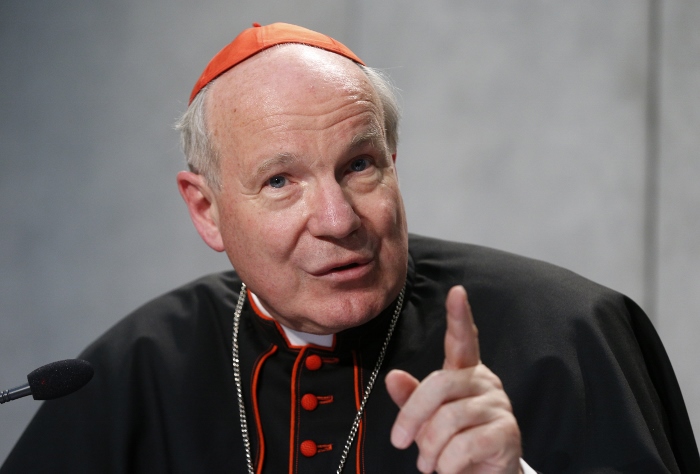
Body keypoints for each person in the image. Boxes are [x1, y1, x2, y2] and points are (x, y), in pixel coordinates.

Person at [2, 22, 698, 474]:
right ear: (206, 210)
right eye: (280, 180)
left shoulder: (572, 334)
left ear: (394, 161)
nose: (338, 219)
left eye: (360, 165)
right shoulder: (132, 372)